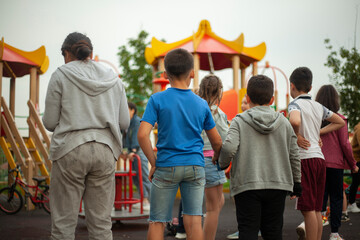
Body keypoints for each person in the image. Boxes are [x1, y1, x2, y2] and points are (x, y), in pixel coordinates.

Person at [43, 32, 130, 240]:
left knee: (63, 224)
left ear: (66, 53)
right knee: (101, 224)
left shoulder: (61, 74)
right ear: (91, 52)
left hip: (70, 149)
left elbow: (50, 122)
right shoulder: (112, 78)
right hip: (105, 150)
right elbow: (124, 122)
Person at [137, 48, 222, 240]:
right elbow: (216, 140)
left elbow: (142, 135)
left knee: (158, 222)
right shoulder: (201, 104)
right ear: (192, 73)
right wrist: (217, 156)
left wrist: (153, 162)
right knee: (193, 221)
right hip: (195, 166)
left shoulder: (157, 99)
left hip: (166, 165)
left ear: (165, 74)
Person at [219, 75, 302, 240]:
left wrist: (222, 163)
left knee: (248, 231)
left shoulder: (239, 121)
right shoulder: (283, 122)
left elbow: (228, 147)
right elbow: (294, 153)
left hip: (247, 184)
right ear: (272, 99)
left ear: (248, 98)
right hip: (277, 184)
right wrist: (297, 182)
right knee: (273, 231)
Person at [287, 67, 345, 240]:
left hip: (305, 159)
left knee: (308, 210)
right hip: (320, 159)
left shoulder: (295, 104)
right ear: (311, 88)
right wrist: (317, 133)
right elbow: (340, 121)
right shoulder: (318, 106)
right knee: (317, 208)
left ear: (291, 86)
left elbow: (295, 120)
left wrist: (296, 135)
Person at [315, 84, 358, 240]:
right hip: (335, 165)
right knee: (336, 197)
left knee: (319, 197)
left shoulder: (315, 118)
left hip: (318, 162)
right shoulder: (340, 119)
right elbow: (345, 144)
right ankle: (334, 233)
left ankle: (315, 230)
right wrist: (353, 164)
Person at [198, 74, 228, 240]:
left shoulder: (196, 109)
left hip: (197, 159)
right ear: (219, 92)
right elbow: (225, 137)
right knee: (213, 208)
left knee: (218, 202)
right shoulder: (217, 112)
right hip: (211, 159)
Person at [226, 95, 250, 240]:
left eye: (246, 103)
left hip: (245, 167)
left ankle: (246, 228)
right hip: (239, 164)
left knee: (244, 200)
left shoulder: (242, 121)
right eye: (242, 102)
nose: (243, 105)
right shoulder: (238, 119)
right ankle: (243, 227)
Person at [123, 102, 151, 211]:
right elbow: (124, 138)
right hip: (133, 153)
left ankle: (146, 200)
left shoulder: (136, 121)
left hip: (139, 151)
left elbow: (137, 136)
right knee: (135, 177)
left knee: (143, 175)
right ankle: (142, 199)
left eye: (126, 109)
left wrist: (132, 150)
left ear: (132, 110)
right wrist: (125, 150)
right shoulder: (127, 123)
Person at [348, 121, 360, 213]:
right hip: (357, 159)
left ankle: (351, 203)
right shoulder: (359, 128)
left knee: (356, 182)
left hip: (357, 158)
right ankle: (351, 203)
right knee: (356, 182)